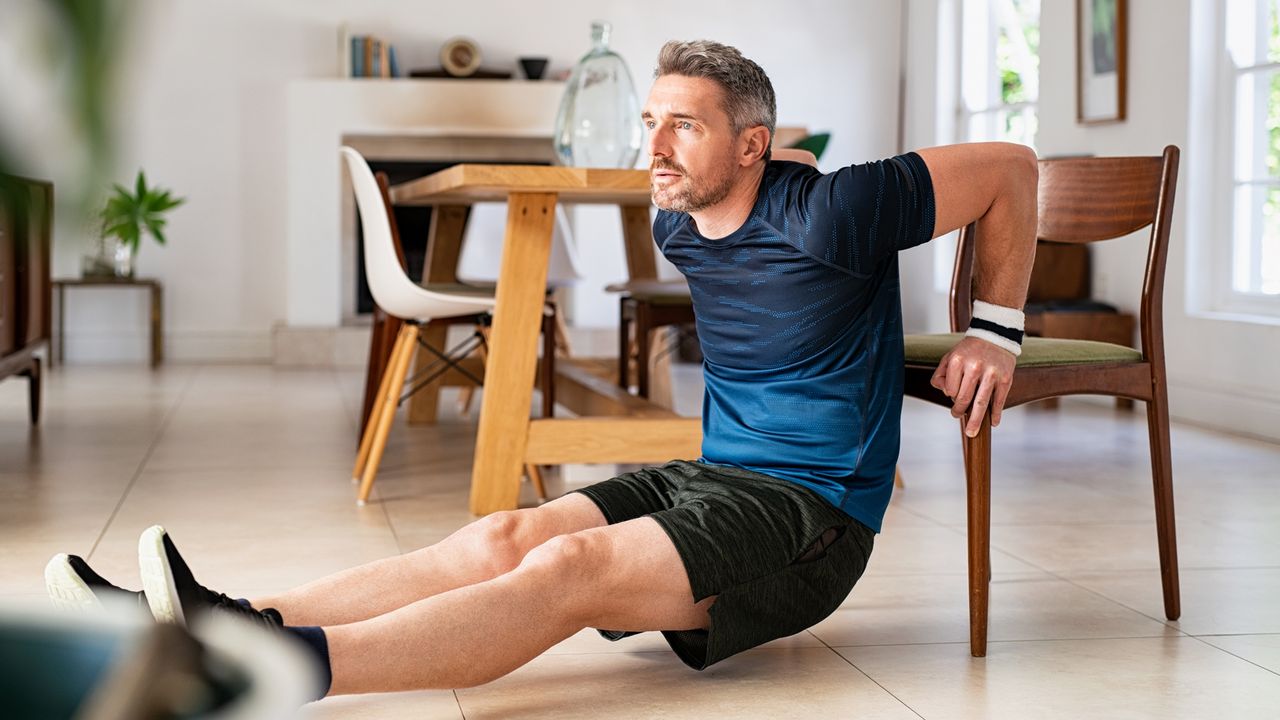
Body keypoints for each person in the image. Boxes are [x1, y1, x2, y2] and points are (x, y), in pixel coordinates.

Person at [44, 39, 1037, 698]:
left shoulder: (835, 207)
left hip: (810, 517)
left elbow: (1008, 169)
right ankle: (221, 621)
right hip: (713, 476)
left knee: (564, 568)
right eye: (649, 120)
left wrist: (993, 328)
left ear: (751, 146)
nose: (651, 145)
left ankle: (273, 669)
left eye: (680, 124)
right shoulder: (674, 217)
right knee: (504, 534)